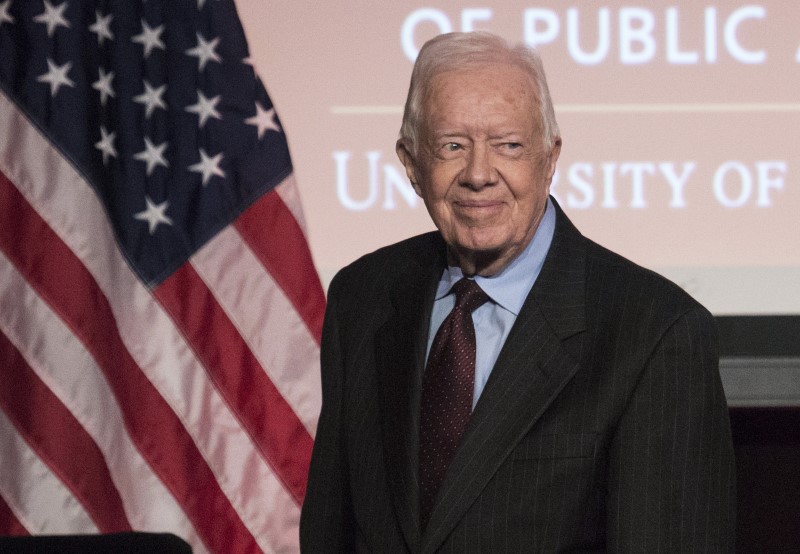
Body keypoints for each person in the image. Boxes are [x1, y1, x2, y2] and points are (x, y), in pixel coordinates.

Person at [300, 31, 736, 552]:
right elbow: (331, 530)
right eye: (452, 146)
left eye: (509, 145)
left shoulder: (655, 332)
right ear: (412, 165)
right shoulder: (362, 297)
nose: (479, 175)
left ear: (550, 159)